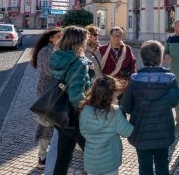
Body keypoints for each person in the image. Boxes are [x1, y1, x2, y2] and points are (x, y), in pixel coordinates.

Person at [121, 40, 179, 175]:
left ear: (143, 57)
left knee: (144, 167)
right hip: (163, 131)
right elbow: (174, 102)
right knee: (162, 166)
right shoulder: (170, 78)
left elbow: (126, 106)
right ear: (160, 58)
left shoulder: (134, 79)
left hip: (141, 131)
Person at [46, 26, 93, 175]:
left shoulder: (57, 56)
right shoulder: (78, 62)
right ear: (77, 42)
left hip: (60, 112)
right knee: (94, 151)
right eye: (84, 41)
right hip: (74, 115)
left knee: (64, 155)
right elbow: (75, 95)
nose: (86, 44)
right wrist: (87, 110)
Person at [79, 75, 134, 175]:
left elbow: (83, 131)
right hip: (110, 162)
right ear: (112, 94)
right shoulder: (115, 113)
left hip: (91, 162)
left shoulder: (85, 110)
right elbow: (127, 132)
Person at [31, 28, 62, 169]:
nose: (61, 38)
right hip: (46, 91)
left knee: (54, 122)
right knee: (45, 123)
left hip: (55, 90)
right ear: (50, 38)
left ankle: (50, 155)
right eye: (58, 36)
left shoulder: (57, 50)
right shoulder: (45, 51)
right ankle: (42, 157)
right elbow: (49, 71)